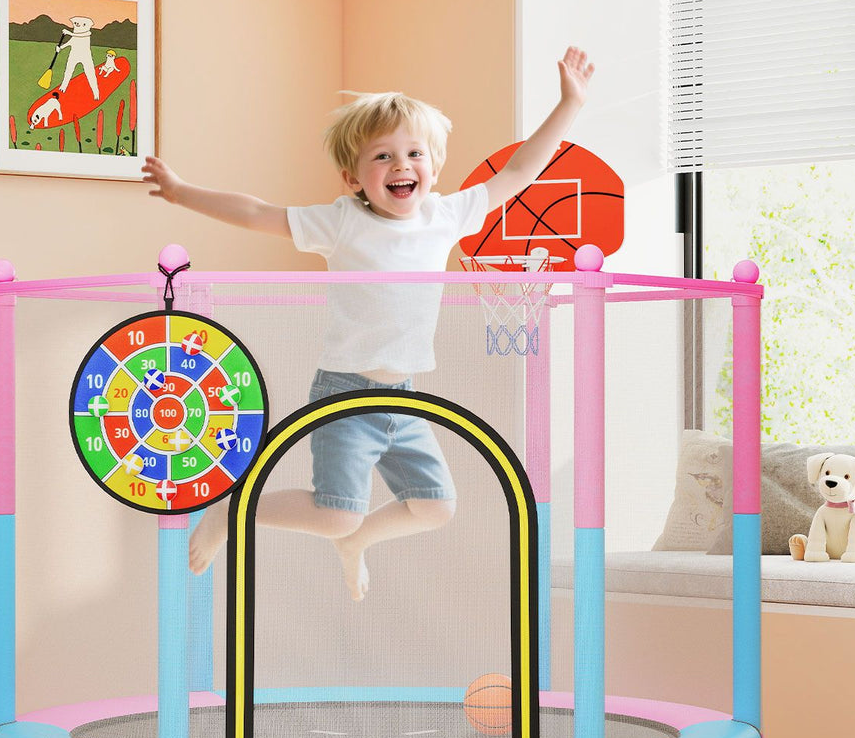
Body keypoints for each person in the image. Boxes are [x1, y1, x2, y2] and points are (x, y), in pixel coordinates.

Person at [142, 47, 594, 599]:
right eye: (382, 157)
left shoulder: (445, 216)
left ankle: (356, 544)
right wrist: (182, 191)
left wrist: (569, 104)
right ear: (353, 178)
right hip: (345, 393)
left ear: (432, 166)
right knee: (336, 514)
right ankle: (237, 511)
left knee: (435, 506)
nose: (401, 165)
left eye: (414, 153)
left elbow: (521, 170)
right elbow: (258, 212)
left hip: (403, 396)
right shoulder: (341, 223)